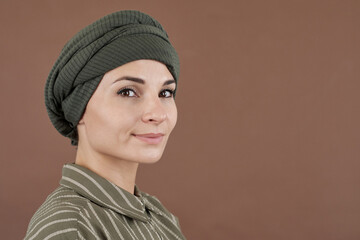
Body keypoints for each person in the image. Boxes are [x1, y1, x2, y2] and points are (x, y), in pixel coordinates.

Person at [24, 10, 186, 240]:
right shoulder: (71, 230)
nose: (157, 113)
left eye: (166, 92)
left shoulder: (158, 216)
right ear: (78, 109)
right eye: (127, 91)